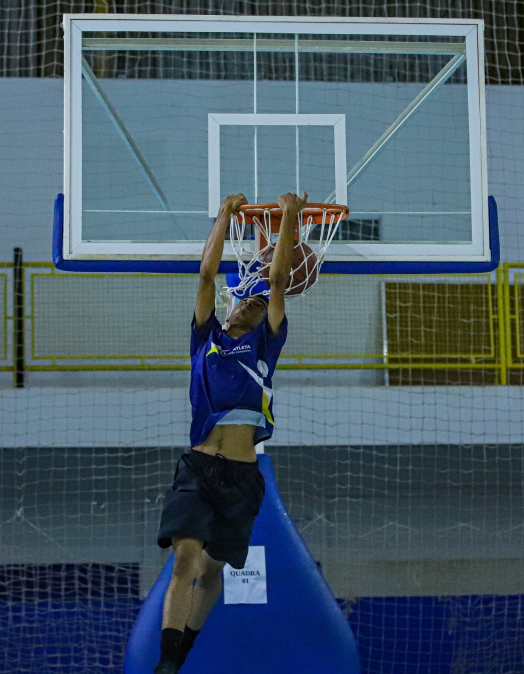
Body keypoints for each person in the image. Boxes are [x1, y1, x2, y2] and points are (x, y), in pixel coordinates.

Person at [152, 191, 306, 673]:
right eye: (245, 299)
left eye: (260, 304)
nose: (249, 304)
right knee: (185, 561)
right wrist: (223, 214)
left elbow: (277, 281)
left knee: (213, 571)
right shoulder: (206, 339)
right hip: (198, 467)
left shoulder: (266, 346)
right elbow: (205, 274)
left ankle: (186, 648)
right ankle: (166, 662)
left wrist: (290, 218)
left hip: (240, 478)